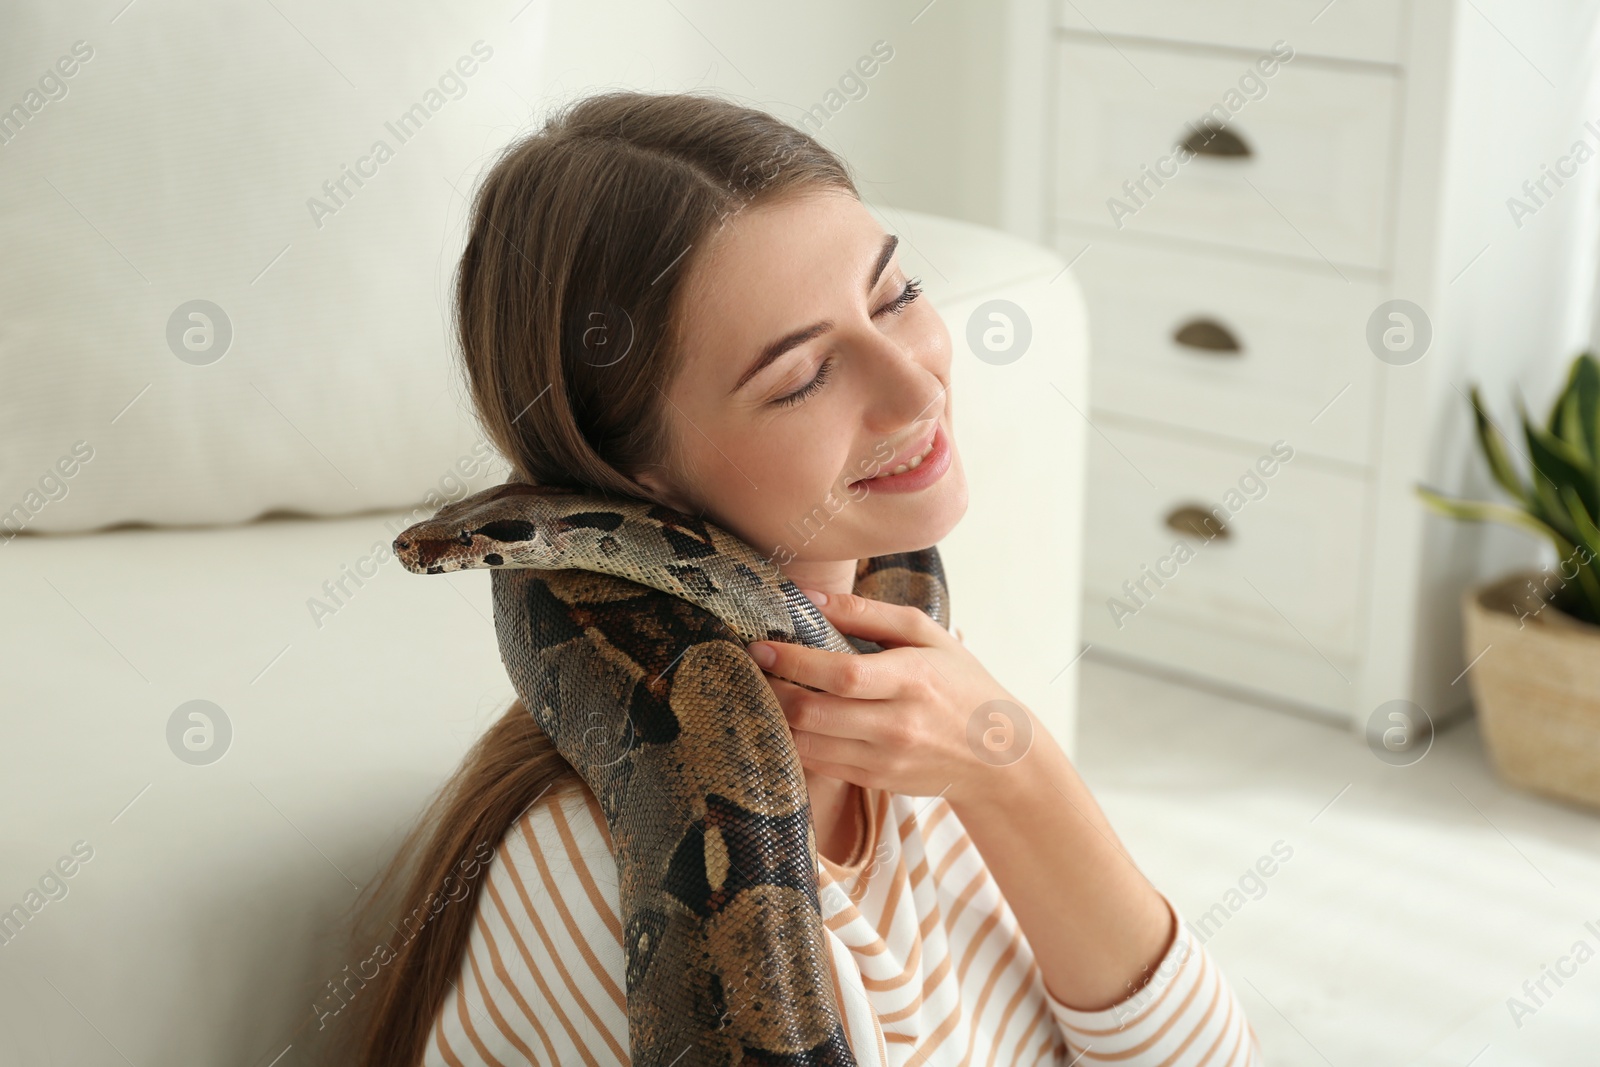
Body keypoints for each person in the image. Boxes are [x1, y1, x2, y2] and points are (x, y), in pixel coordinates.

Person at [346, 89, 1260, 1066]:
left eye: (895, 295)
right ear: (630, 482)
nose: (916, 387)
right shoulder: (600, 879)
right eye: (801, 377)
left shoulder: (924, 710)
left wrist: (1014, 769)